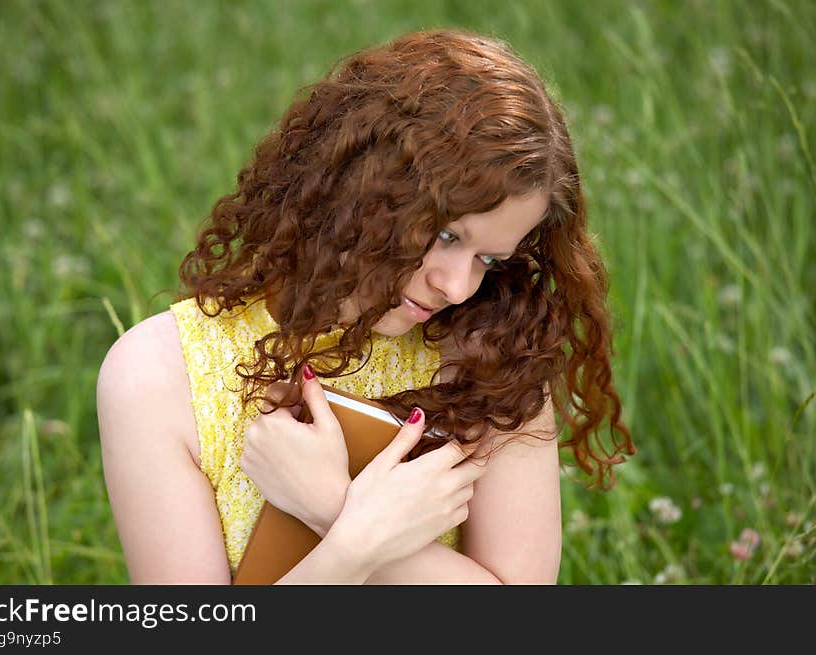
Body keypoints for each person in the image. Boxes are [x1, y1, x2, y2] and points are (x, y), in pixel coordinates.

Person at [96, 28, 635, 584]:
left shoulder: (490, 354)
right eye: (446, 237)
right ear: (362, 189)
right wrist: (354, 545)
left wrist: (331, 506)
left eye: (490, 260)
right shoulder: (158, 376)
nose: (456, 287)